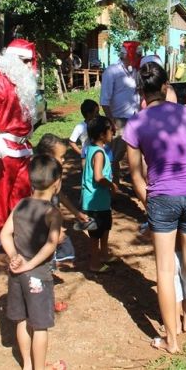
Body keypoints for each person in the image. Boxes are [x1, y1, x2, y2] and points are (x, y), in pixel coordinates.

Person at [123, 61, 186, 354]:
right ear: (166, 87)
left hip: (161, 197)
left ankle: (171, 340)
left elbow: (135, 175)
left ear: (141, 92)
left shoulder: (134, 124)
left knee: (165, 270)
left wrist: (148, 202)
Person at [1, 154, 66, 370]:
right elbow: (51, 244)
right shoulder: (52, 212)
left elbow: (4, 234)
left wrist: (15, 256)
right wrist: (30, 264)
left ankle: (27, 366)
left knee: (21, 321)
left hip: (16, 275)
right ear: (57, 183)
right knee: (39, 327)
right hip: (38, 276)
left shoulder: (20, 205)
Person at [0, 39, 37, 249]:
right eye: (25, 61)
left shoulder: (20, 81)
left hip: (21, 147)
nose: (30, 65)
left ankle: (19, 231)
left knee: (22, 191)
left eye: (31, 61)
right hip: (2, 146)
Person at [34, 133, 91, 270]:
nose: (64, 160)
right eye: (61, 157)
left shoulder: (55, 172)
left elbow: (59, 195)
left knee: (62, 248)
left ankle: (55, 261)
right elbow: (38, 206)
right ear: (48, 156)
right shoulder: (39, 177)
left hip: (53, 220)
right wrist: (57, 229)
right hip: (43, 221)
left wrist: (76, 213)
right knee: (49, 245)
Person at [100, 41, 141, 186]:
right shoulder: (112, 71)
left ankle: (138, 184)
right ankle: (113, 186)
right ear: (129, 55)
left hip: (136, 119)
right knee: (114, 156)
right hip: (119, 120)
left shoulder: (136, 71)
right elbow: (104, 100)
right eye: (137, 55)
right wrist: (111, 121)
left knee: (138, 154)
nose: (140, 57)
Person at [81, 116, 119, 272]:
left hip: (101, 201)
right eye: (110, 130)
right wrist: (112, 185)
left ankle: (104, 254)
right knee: (95, 234)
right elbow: (98, 177)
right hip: (95, 202)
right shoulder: (99, 153)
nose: (113, 133)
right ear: (102, 134)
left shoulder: (91, 149)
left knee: (105, 227)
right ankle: (94, 263)